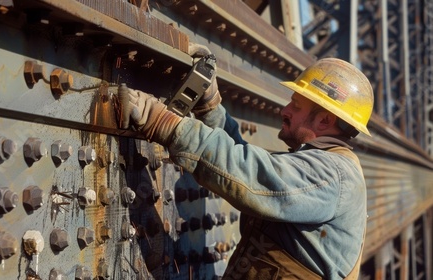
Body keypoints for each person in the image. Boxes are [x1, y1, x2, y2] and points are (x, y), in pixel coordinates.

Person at [117, 57, 373, 279]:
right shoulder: (328, 166)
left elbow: (253, 178)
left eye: (296, 104)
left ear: (325, 119)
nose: (285, 110)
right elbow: (250, 164)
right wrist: (211, 109)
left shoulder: (333, 174)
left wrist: (167, 124)